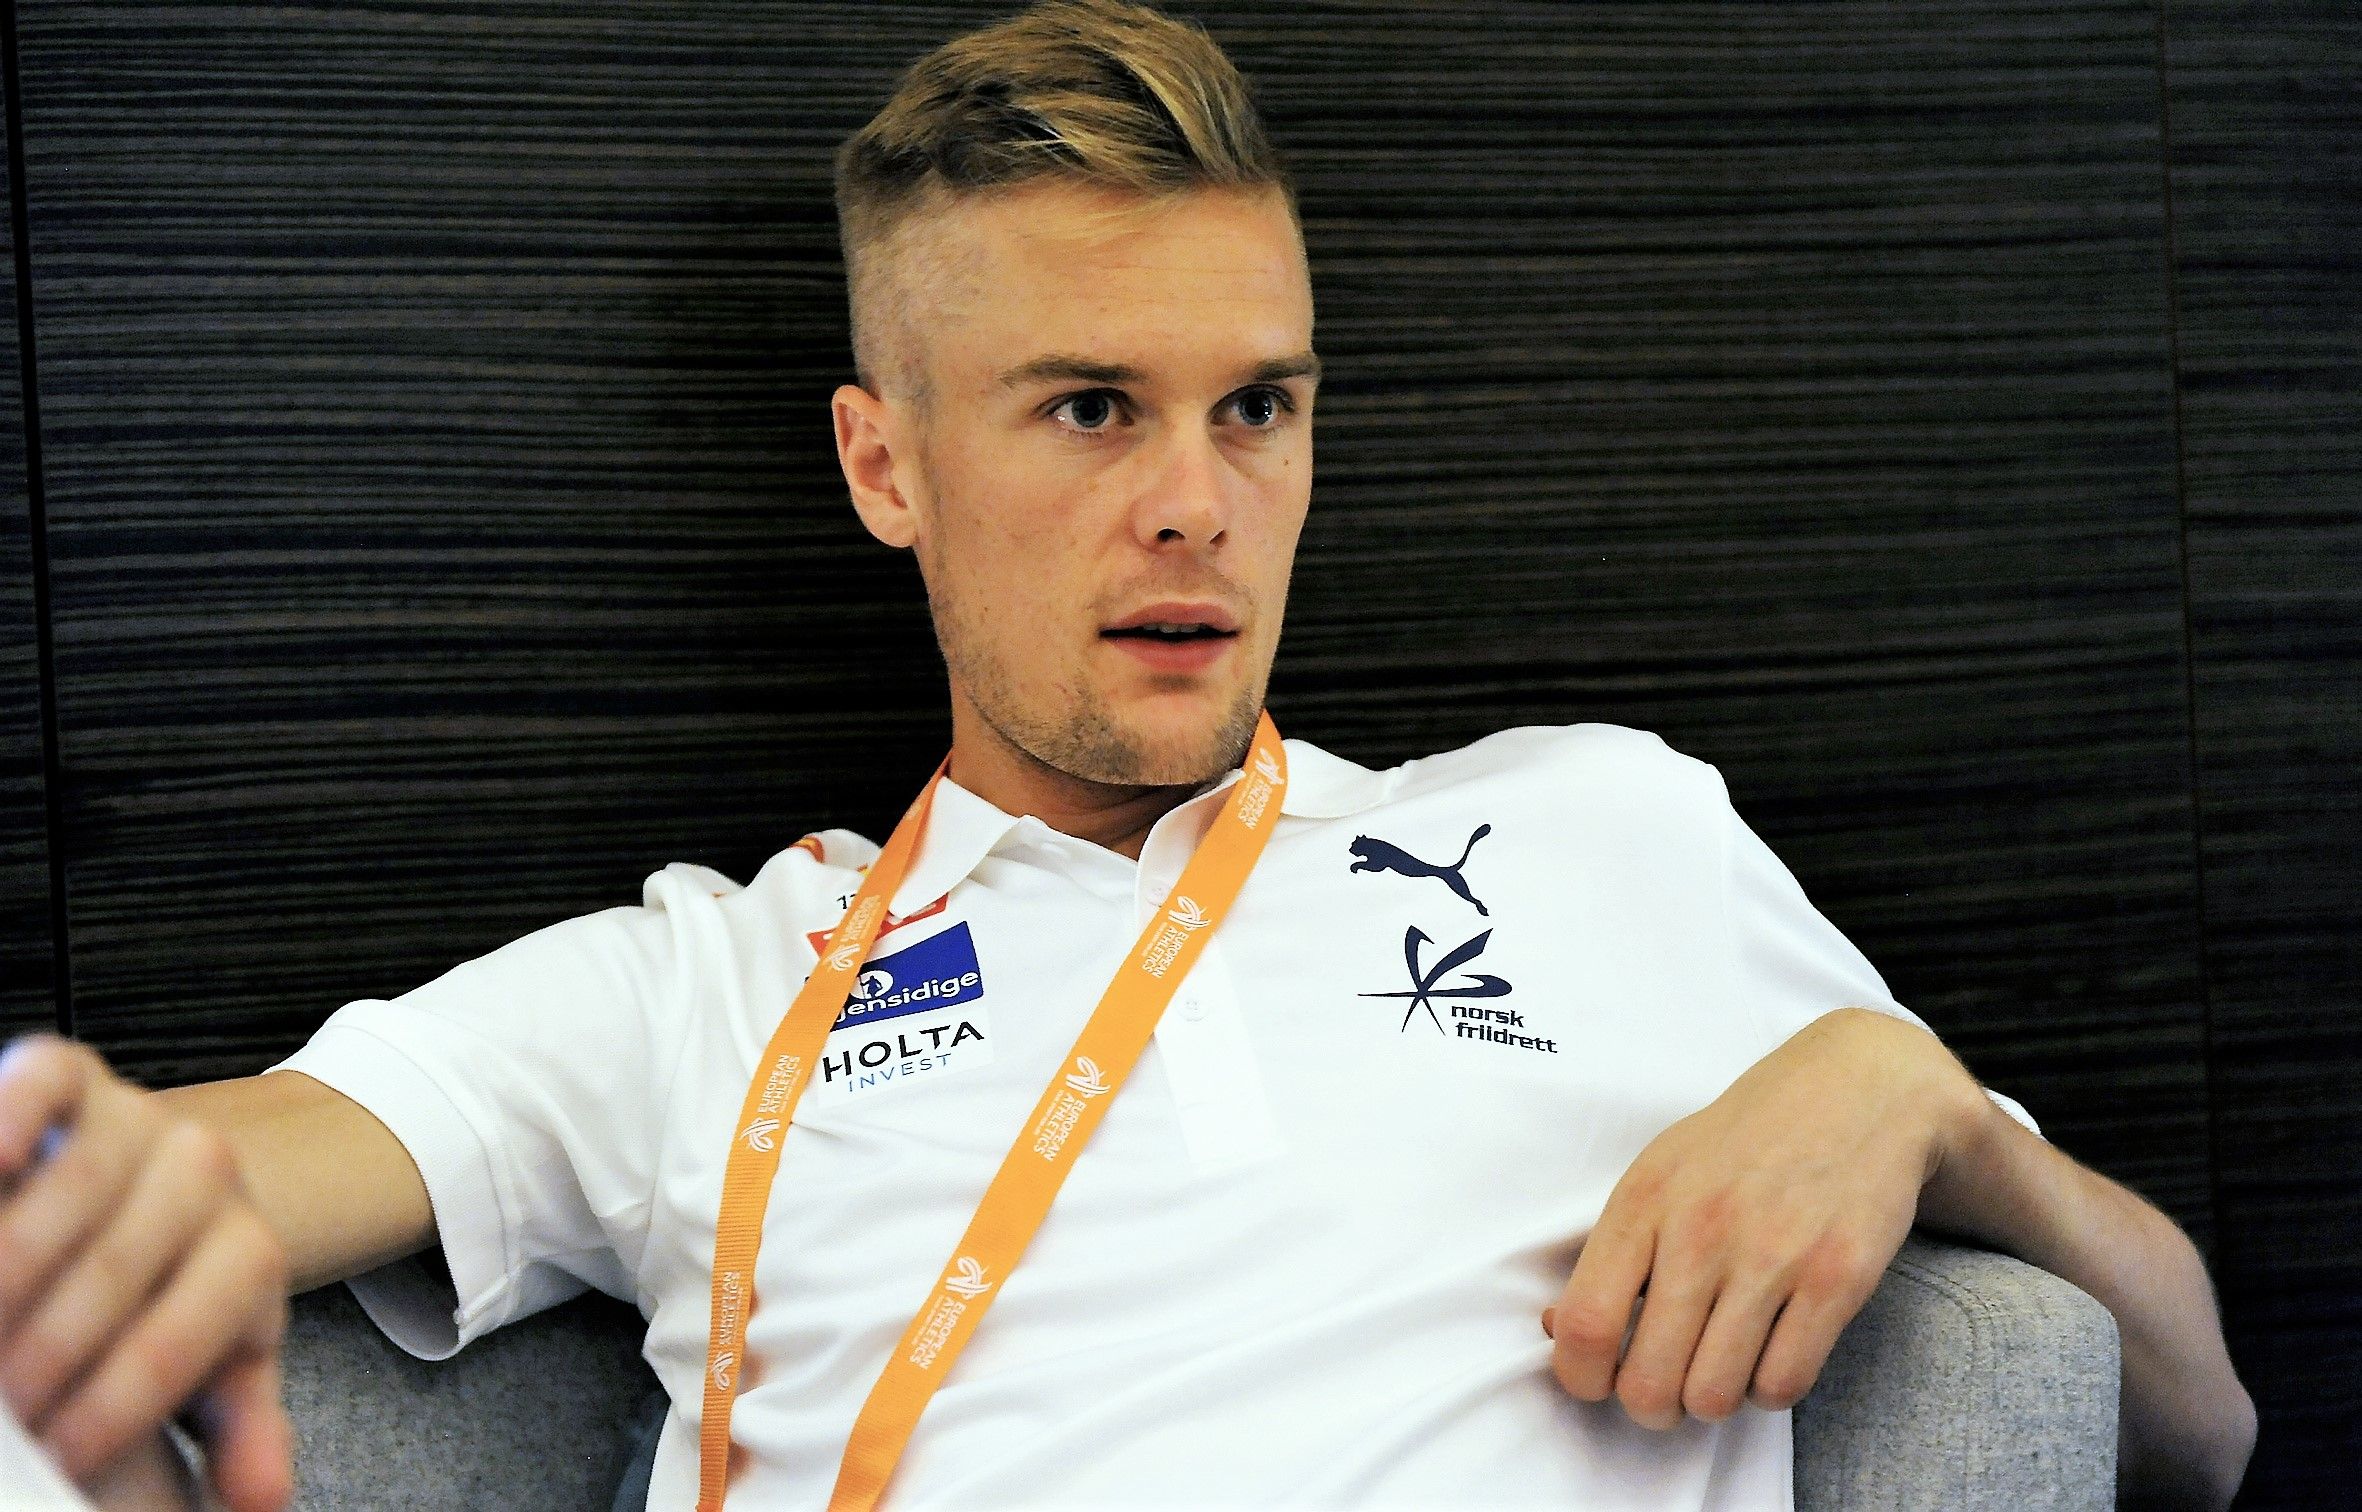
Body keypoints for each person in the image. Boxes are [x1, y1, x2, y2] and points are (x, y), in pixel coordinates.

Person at [0, 2, 2256, 1508]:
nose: (1197, 504)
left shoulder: (1601, 830)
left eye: (1254, 407)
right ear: (885, 467)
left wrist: (1909, 1097)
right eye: (1090, 409)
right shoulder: (710, 982)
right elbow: (182, 1180)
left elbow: (2199, 1428)